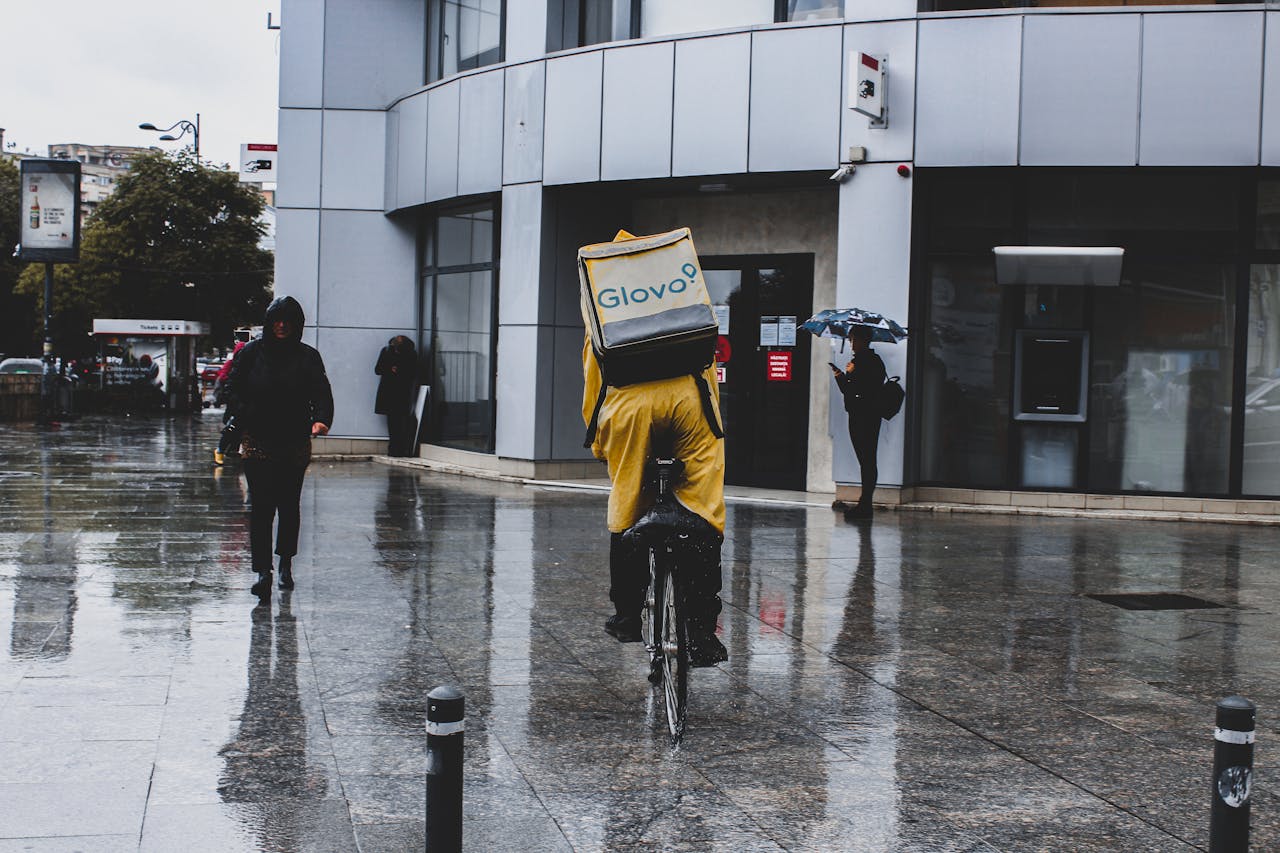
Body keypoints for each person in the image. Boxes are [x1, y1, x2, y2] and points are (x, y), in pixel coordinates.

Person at [582, 335, 728, 667]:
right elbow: (707, 359)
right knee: (704, 508)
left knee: (628, 504)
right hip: (690, 398)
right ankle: (702, 635)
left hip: (628, 405)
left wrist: (600, 443)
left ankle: (627, 616)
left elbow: (594, 374)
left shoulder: (604, 309)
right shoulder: (688, 301)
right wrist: (710, 416)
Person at [226, 296, 334, 598]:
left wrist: (321, 420)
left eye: (288, 321)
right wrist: (245, 411)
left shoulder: (308, 357)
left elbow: (322, 391)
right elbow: (231, 388)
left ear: (297, 325)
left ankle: (285, 561)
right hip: (258, 438)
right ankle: (263, 570)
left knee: (288, 504)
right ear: (269, 322)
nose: (282, 326)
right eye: (277, 320)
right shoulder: (251, 353)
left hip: (293, 440)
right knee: (261, 506)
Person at [833, 324, 886, 520]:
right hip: (864, 414)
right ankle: (865, 503)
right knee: (866, 459)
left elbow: (859, 389)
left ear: (863, 340)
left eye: (854, 339)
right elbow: (852, 388)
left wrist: (850, 374)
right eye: (850, 339)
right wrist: (842, 375)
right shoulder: (868, 361)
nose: (851, 343)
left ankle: (865, 504)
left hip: (864, 415)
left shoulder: (867, 361)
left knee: (867, 459)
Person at [374, 335, 419, 457]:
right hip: (390, 391)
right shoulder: (387, 351)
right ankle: (395, 448)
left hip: (401, 391)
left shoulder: (410, 354)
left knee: (400, 421)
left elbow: (413, 372)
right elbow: (378, 369)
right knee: (394, 421)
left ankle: (400, 448)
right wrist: (390, 369)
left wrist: (399, 370)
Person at [213, 340, 247, 466]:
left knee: (241, 428)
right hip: (236, 403)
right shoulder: (233, 365)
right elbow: (225, 380)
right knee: (232, 427)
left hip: (246, 402)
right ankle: (220, 450)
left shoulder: (249, 365)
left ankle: (232, 449)